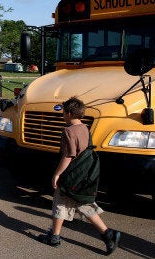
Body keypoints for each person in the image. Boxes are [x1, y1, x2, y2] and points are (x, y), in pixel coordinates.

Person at [38, 97, 121, 255]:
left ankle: (54, 237)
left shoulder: (68, 131)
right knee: (83, 204)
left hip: (71, 174)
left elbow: (68, 156)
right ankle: (108, 234)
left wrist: (56, 174)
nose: (63, 115)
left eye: (64, 112)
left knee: (60, 202)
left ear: (69, 113)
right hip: (84, 173)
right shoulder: (85, 128)